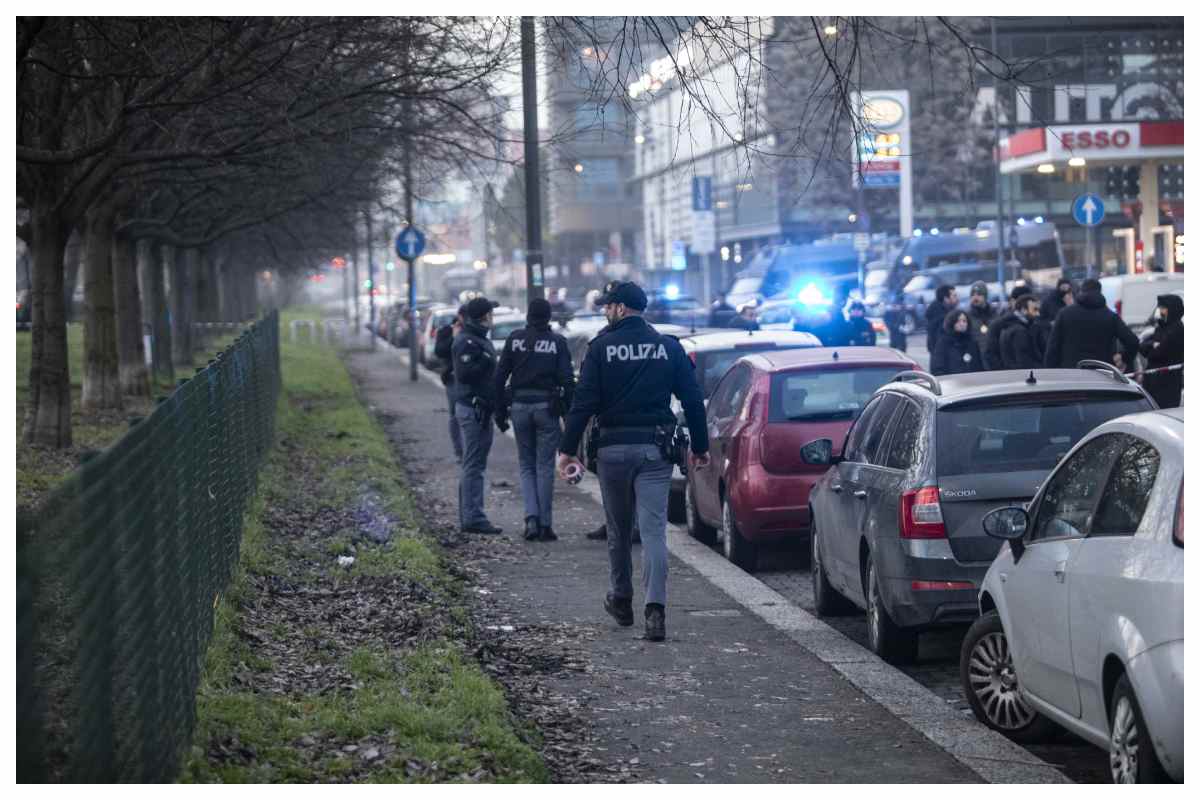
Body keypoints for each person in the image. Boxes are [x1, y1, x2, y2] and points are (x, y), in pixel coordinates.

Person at [557, 281, 709, 642]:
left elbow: (583, 403)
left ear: (621, 308)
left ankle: (622, 598)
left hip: (611, 451)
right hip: (655, 451)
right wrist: (700, 447)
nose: (606, 312)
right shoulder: (668, 348)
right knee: (654, 531)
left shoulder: (600, 348)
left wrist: (567, 450)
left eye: (609, 306)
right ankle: (655, 611)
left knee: (619, 529)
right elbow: (691, 399)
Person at [494, 298, 576, 542]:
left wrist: (500, 413)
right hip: (546, 409)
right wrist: (568, 415)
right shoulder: (557, 342)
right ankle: (546, 525)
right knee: (544, 467)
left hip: (519, 407)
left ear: (528, 316)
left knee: (526, 466)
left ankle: (530, 519)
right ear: (548, 317)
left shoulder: (514, 339)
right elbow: (567, 381)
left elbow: (499, 379)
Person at [452, 296, 504, 535]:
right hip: (473, 409)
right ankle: (472, 516)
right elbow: (464, 374)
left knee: (475, 463)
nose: (493, 317)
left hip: (480, 408)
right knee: (473, 464)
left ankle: (471, 514)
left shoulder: (478, 339)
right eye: (490, 313)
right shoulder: (468, 341)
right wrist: (484, 362)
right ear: (483, 317)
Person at [1043, 278, 1139, 370]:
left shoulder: (1064, 314)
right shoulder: (1110, 316)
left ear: (1081, 291)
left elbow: (1052, 349)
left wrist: (1052, 374)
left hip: (1071, 374)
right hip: (1103, 374)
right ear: (1100, 292)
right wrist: (1124, 358)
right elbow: (1133, 342)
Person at [434, 304, 466, 462]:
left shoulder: (472, 332)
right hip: (453, 378)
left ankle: (468, 448)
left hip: (469, 378)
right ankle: (459, 450)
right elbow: (439, 351)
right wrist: (453, 337)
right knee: (455, 414)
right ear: (460, 316)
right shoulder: (446, 330)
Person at [1139, 294, 1184, 408]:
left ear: (1172, 309)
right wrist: (1152, 344)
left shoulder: (1177, 330)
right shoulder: (1161, 327)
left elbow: (1158, 354)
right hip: (1153, 381)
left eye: (1163, 308)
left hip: (1167, 384)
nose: (1160, 311)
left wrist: (1151, 348)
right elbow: (1142, 347)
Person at [983, 285, 1034, 370]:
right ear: (1012, 301)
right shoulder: (999, 325)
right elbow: (990, 354)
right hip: (1008, 377)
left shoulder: (1035, 323)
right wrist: (1004, 373)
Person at [930, 310, 983, 376]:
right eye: (958, 321)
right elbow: (937, 367)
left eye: (964, 321)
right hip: (953, 383)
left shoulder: (972, 342)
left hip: (973, 382)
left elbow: (980, 366)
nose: (962, 324)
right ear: (952, 323)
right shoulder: (943, 343)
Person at [999, 295, 1044, 369]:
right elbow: (1024, 361)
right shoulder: (1019, 331)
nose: (1038, 314)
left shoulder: (1009, 326)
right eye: (1034, 310)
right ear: (1023, 310)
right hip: (1021, 376)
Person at [924, 285, 958, 356]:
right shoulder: (941, 317)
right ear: (946, 298)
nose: (957, 298)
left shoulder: (947, 311)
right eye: (954, 296)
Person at [965, 282, 995, 352]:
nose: (975, 298)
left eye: (979, 294)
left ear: (985, 296)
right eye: (973, 295)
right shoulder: (966, 316)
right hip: (976, 356)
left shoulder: (996, 313)